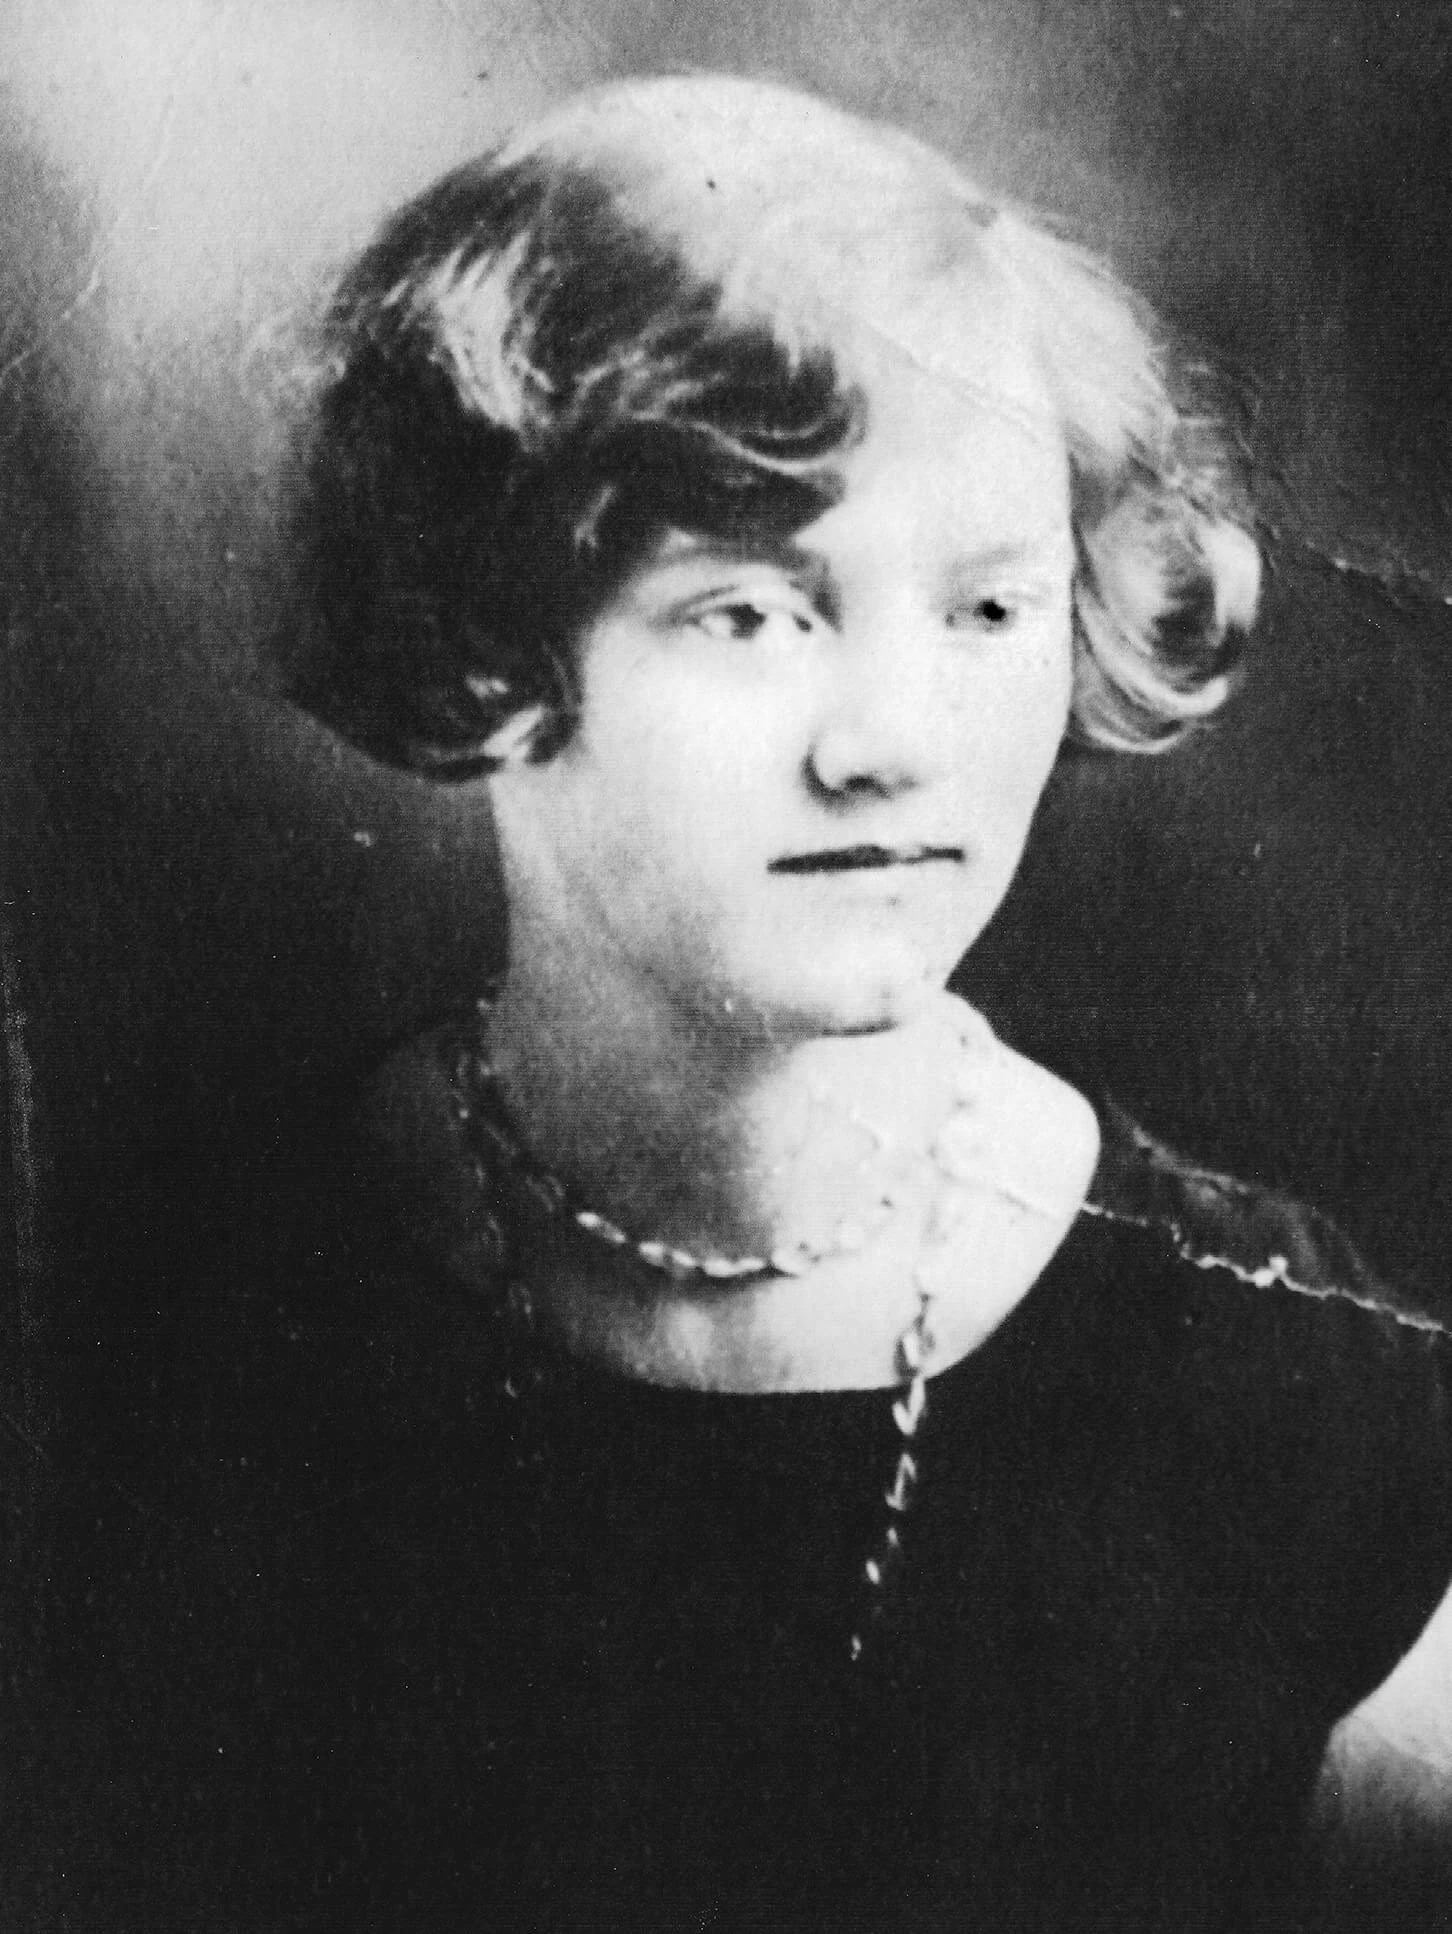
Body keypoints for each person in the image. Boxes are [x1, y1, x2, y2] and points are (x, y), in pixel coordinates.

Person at [55, 73, 1452, 1932]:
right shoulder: (178, 1331)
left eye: (985, 613)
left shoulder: (1300, 1389)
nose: (893, 748)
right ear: (479, 637)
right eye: (750, 614)